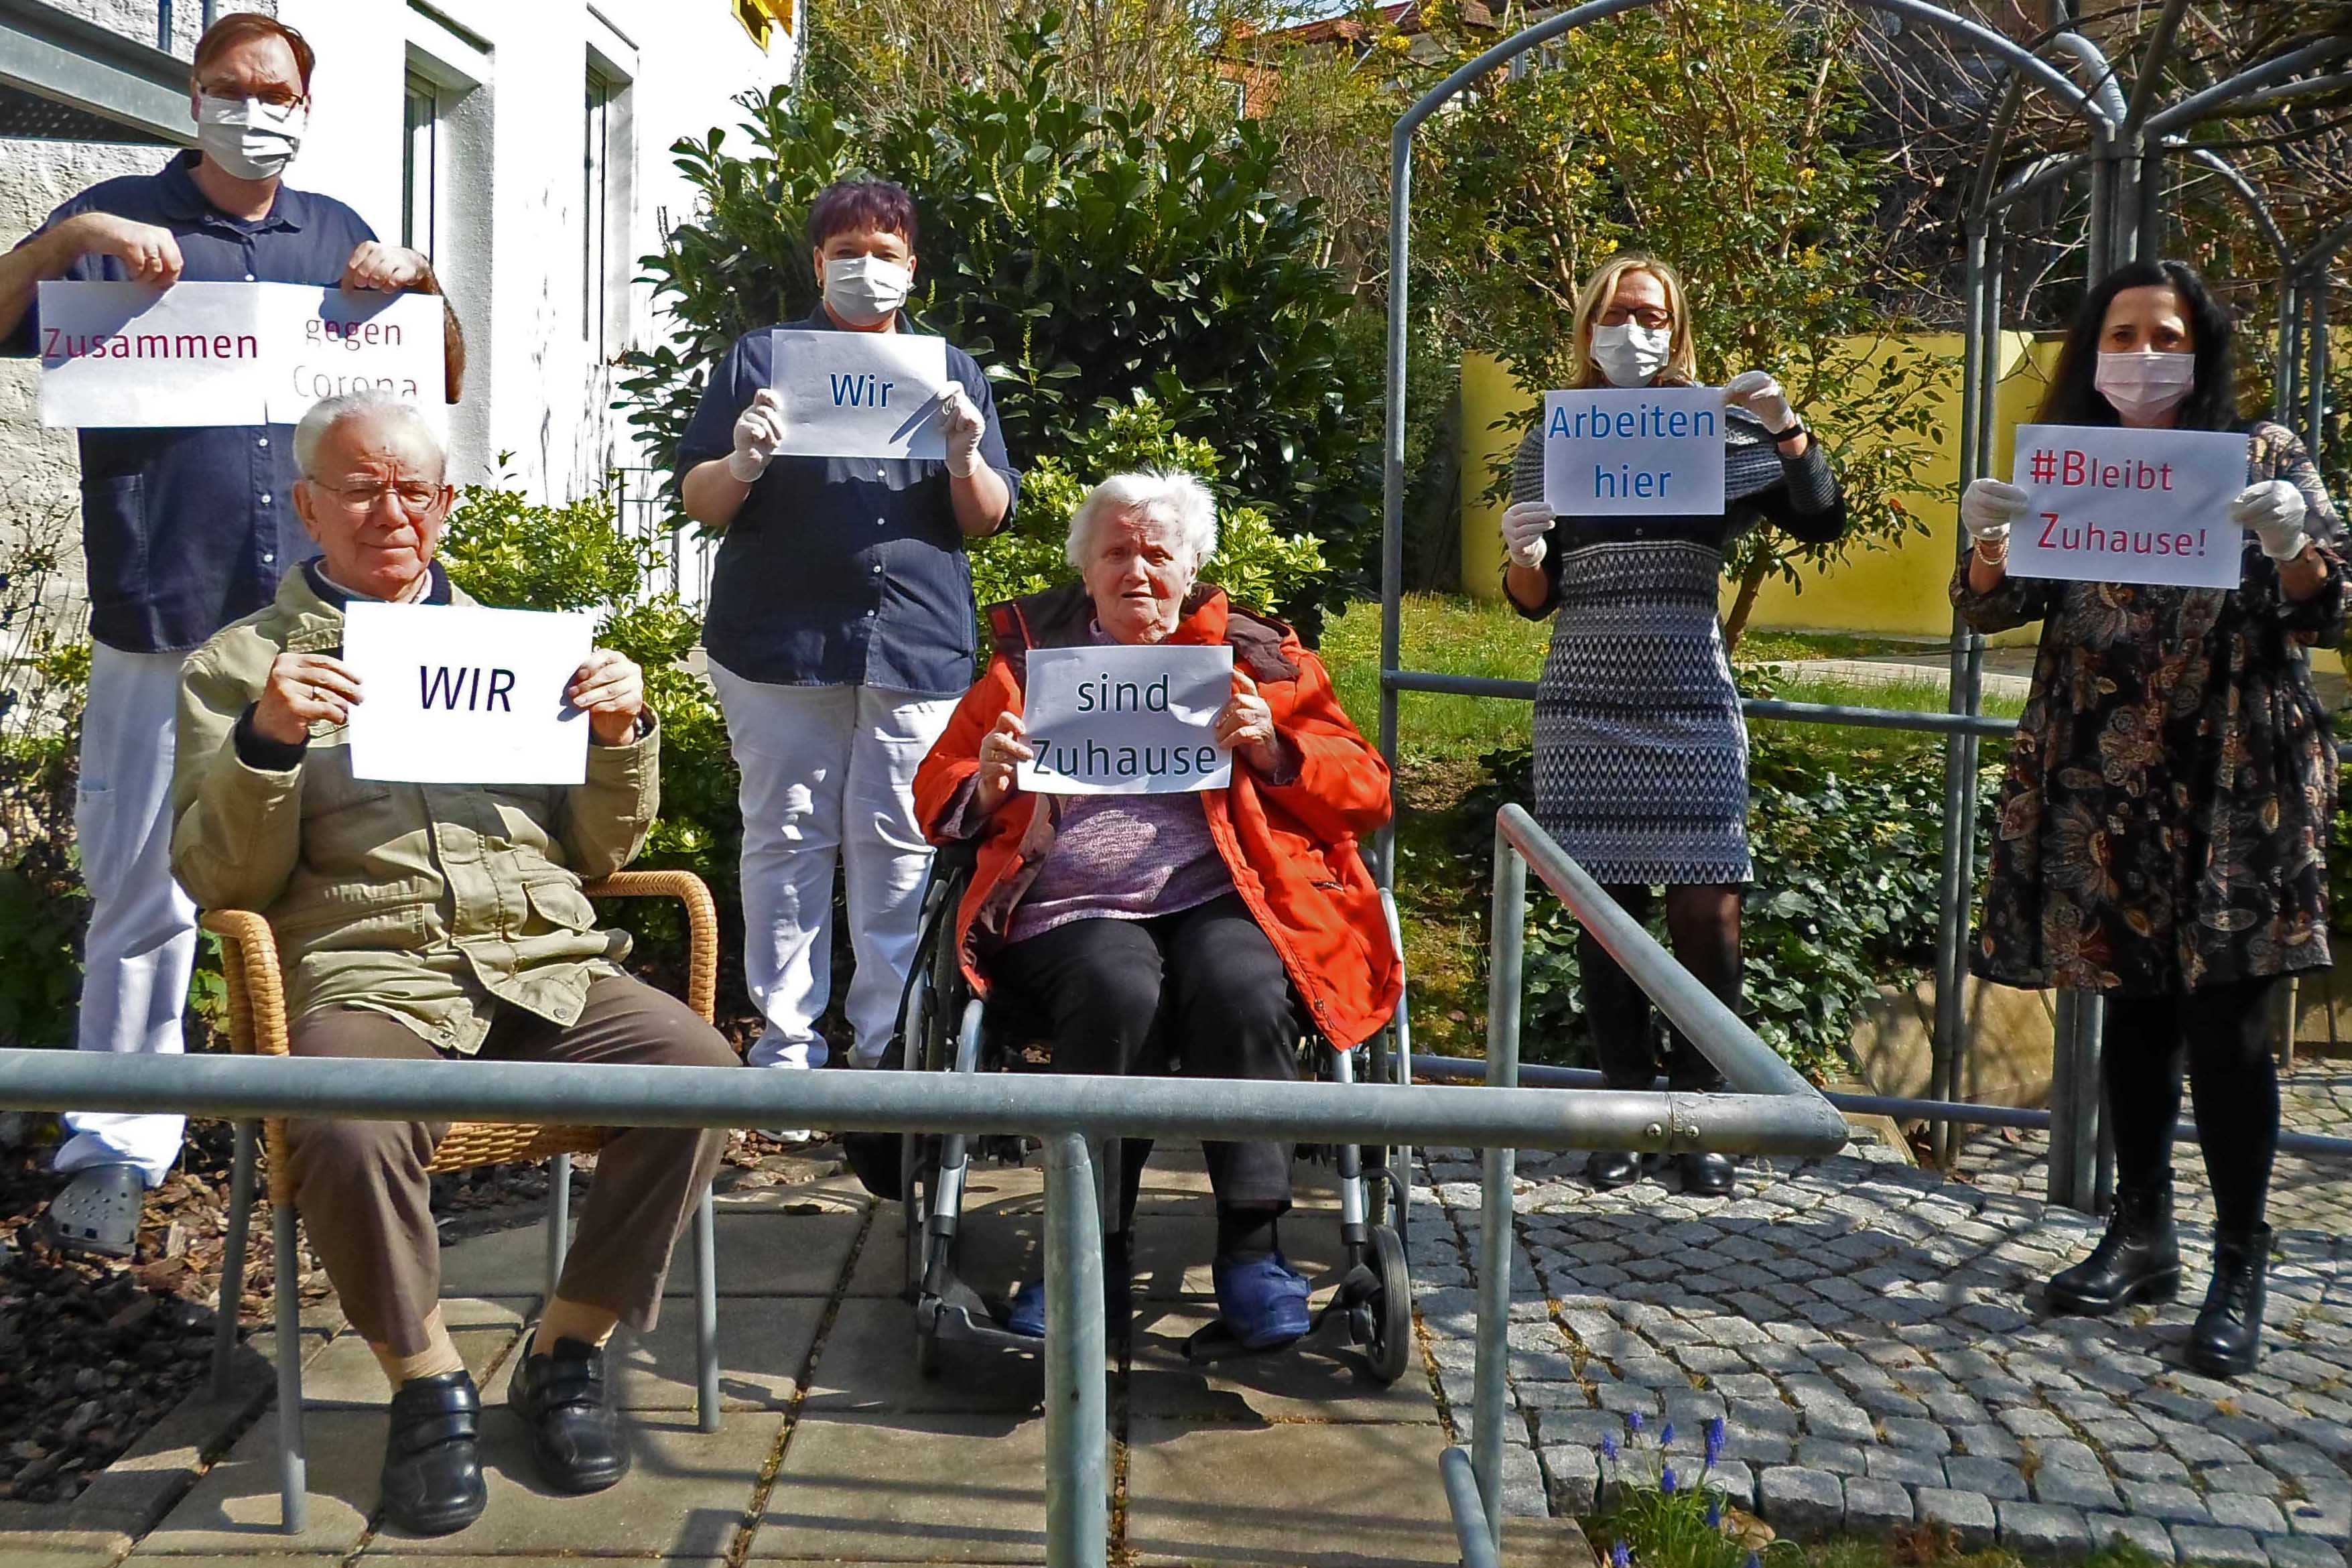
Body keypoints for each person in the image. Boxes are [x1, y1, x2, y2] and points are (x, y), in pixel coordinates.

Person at [170, 391, 736, 1534]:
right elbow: (219, 884)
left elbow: (596, 852)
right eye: (362, 488)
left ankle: (566, 1351)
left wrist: (622, 738)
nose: (392, 512)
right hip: (370, 970)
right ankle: (425, 1380)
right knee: (341, 1118)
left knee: (702, 1074)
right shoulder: (239, 665)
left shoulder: (516, 651)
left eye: (415, 490)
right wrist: (267, 744)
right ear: (307, 506)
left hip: (543, 961)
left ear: (445, 506)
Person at [0, 11, 464, 1258]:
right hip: (168, 614)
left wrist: (422, 285)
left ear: (304, 109)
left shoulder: (339, 232)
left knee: (347, 870)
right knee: (142, 885)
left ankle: (333, 1119)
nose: (253, 106)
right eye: (228, 87)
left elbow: (442, 378)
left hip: (325, 628)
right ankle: (117, 1145)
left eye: (276, 91)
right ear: (194, 96)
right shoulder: (115, 216)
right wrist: (74, 238)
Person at [1954, 259, 2341, 1378]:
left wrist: (2289, 547)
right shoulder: (2073, 455)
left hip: (2237, 777)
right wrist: (1985, 540)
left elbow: (2338, 600)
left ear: (2200, 342)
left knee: (2225, 1026)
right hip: (2104, 770)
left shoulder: (2263, 454)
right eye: (2119, 334)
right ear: (2090, 348)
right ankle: (2141, 1232)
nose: (2140, 355)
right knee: (2130, 1007)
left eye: (2162, 333)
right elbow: (1990, 607)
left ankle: (2239, 1259)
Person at [911, 470, 1398, 1349]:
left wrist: (1276, 746)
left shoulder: (1259, 659)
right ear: (1087, 571)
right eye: (1116, 553)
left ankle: (1254, 1255)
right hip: (1072, 909)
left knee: (1244, 983)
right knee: (1113, 988)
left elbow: (1365, 790)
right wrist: (984, 782)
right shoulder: (1026, 666)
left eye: (1156, 553)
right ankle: (1079, 1257)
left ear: (1191, 569)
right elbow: (935, 792)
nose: (1136, 571)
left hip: (1228, 893)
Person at [1498, 253, 1844, 1198]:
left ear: (1677, 326)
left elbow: (1819, 518)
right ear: (1586, 327)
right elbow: (1532, 598)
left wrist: (1783, 427)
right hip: (1584, 695)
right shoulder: (1554, 436)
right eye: (1614, 315)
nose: (1632, 332)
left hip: (1689, 686)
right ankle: (1621, 1110)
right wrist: (1524, 554)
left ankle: (1697, 1118)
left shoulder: (1716, 429)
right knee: (1605, 916)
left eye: (1649, 315)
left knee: (1707, 910)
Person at [675, 178, 1018, 1130]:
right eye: (847, 249)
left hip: (913, 640)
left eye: (886, 249)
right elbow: (702, 499)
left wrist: (962, 455)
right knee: (785, 837)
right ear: (817, 262)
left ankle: (885, 1049)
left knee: (899, 841)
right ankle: (787, 1053)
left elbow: (986, 518)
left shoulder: (949, 368)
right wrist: (742, 460)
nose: (867, 266)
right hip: (777, 643)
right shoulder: (761, 360)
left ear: (914, 266)